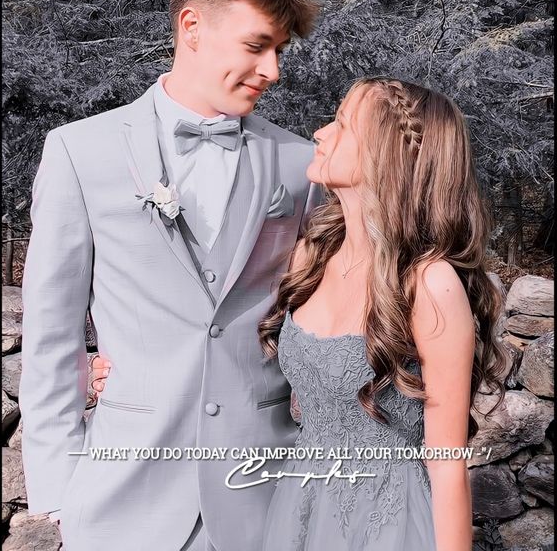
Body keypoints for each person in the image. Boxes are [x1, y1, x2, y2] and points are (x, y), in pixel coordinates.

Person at [92, 76, 507, 551]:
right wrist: (112, 367)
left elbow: (447, 462)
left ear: (388, 155)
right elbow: (215, 324)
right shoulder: (313, 253)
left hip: (387, 521)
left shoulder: (430, 284)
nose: (321, 132)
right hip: (299, 506)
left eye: (343, 125)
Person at [18, 0, 322, 551]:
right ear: (192, 26)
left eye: (279, 51)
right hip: (119, 502)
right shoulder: (81, 152)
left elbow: (316, 317)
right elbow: (51, 340)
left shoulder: (301, 165)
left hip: (264, 494)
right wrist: (57, 491)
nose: (273, 71)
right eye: (257, 45)